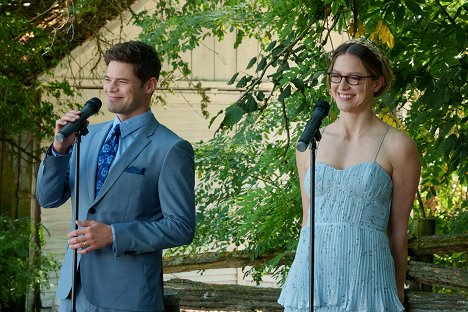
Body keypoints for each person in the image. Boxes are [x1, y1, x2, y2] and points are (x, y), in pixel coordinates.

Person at [36, 40, 196, 312]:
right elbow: (48, 198)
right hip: (73, 294)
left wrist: (113, 234)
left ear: (149, 85)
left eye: (121, 81)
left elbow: (181, 227)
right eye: (108, 79)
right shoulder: (84, 136)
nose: (110, 88)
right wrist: (59, 149)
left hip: (129, 298)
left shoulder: (171, 148)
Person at [278, 38, 420, 311]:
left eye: (354, 78)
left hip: (368, 285)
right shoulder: (309, 143)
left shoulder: (399, 146)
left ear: (376, 83)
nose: (342, 86)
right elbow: (308, 221)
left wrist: (397, 294)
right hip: (311, 284)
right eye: (336, 76)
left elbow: (398, 231)